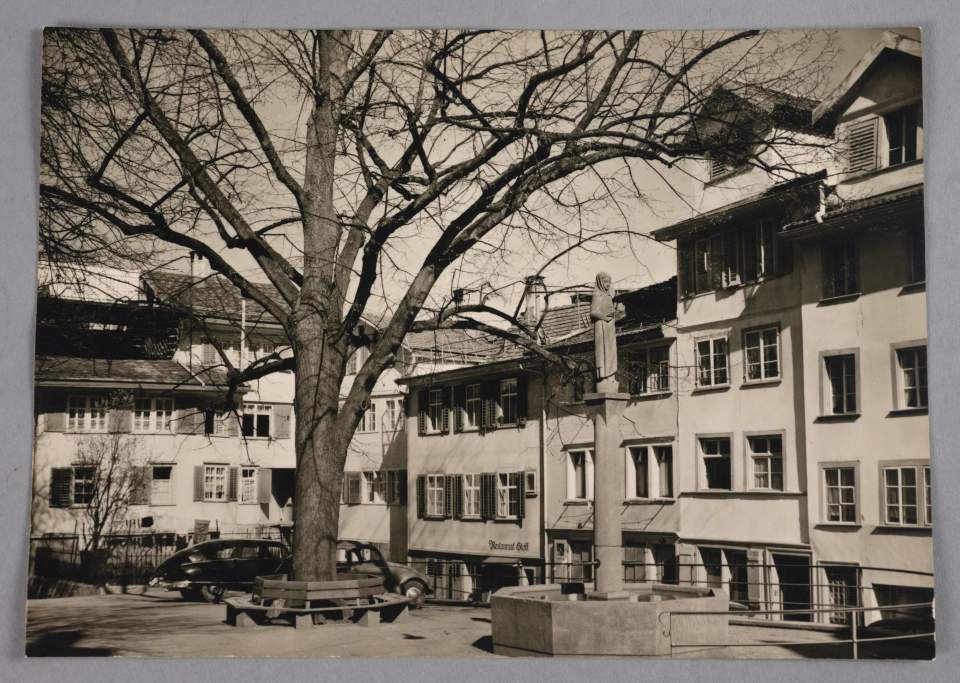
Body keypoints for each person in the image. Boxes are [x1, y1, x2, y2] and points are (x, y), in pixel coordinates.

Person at [590, 272, 620, 388]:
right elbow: (593, 312)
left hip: (610, 327)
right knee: (604, 352)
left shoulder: (608, 296)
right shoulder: (597, 294)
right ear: (600, 282)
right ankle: (604, 376)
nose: (608, 284)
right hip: (601, 326)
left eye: (609, 282)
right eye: (605, 282)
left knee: (611, 351)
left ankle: (611, 376)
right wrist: (604, 317)